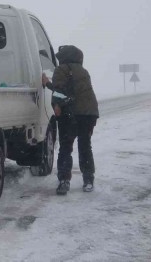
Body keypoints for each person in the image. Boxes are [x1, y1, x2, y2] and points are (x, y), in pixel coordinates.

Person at [41, 45, 99, 195]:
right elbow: (75, 92)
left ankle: (64, 181)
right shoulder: (83, 71)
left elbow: (60, 92)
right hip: (89, 114)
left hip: (70, 114)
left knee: (66, 148)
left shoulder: (62, 69)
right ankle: (88, 180)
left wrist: (56, 104)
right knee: (85, 146)